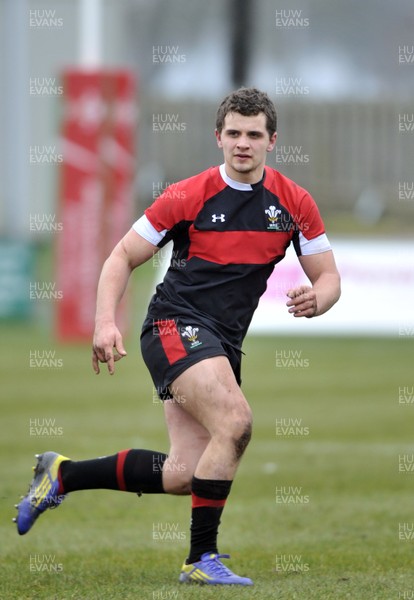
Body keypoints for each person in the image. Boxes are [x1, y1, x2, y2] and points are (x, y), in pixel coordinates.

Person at [15, 87, 341, 586]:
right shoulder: (187, 195)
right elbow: (120, 256)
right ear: (219, 137)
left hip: (222, 343)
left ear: (272, 141)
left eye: (254, 135)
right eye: (233, 133)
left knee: (184, 471)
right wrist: (105, 321)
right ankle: (200, 559)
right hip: (173, 325)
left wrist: (319, 298)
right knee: (235, 422)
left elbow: (329, 278)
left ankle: (62, 475)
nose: (243, 144)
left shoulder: (294, 202)